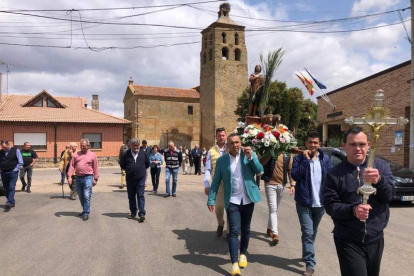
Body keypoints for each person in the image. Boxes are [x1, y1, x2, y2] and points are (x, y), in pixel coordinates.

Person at [323, 127, 395, 276]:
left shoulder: (381, 167)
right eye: (352, 144)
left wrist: (379, 181)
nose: (358, 149)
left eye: (362, 144)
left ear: (368, 145)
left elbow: (389, 196)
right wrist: (353, 210)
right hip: (348, 239)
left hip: (375, 238)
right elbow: (331, 206)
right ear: (344, 146)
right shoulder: (334, 174)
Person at [207, 133, 263, 276]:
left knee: (246, 228)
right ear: (228, 145)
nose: (236, 145)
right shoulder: (222, 161)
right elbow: (216, 182)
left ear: (241, 142)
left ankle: (243, 253)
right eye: (232, 143)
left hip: (248, 199)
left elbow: (259, 170)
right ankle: (234, 263)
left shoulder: (248, 155)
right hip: (232, 200)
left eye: (237, 142)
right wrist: (211, 199)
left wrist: (251, 157)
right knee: (233, 231)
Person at [291, 131, 332, 276]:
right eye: (310, 142)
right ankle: (310, 264)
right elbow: (295, 175)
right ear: (306, 144)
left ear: (319, 144)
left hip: (320, 203)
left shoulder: (325, 159)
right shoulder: (298, 159)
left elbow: (330, 179)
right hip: (304, 202)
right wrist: (305, 160)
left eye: (315, 142)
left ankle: (306, 252)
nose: (313, 145)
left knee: (312, 232)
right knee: (308, 232)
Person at [260, 150, 295, 244]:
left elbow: (290, 170)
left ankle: (269, 228)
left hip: (281, 185)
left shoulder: (287, 154)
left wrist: (292, 184)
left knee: (275, 209)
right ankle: (275, 234)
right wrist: (269, 153)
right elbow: (261, 163)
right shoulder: (268, 152)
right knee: (273, 208)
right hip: (270, 183)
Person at [204, 127, 228, 237]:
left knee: (230, 207)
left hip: (230, 183)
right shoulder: (211, 151)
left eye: (223, 135)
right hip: (218, 184)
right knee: (219, 206)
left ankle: (229, 230)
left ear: (226, 136)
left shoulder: (231, 148)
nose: (221, 137)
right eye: (219, 135)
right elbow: (208, 169)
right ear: (216, 137)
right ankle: (220, 223)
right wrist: (206, 184)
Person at [67, 139, 99, 221]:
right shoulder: (76, 155)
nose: (82, 147)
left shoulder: (93, 155)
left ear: (88, 146)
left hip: (88, 177)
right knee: (81, 196)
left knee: (86, 195)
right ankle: (85, 209)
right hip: (78, 177)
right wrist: (69, 176)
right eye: (81, 145)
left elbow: (95, 167)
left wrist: (95, 178)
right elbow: (71, 166)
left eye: (84, 146)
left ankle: (86, 212)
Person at [120, 138, 150, 222]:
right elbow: (122, 164)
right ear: (130, 145)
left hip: (140, 179)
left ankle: (142, 213)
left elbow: (147, 164)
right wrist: (130, 170)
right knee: (131, 196)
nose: (135, 147)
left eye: (137, 145)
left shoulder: (143, 154)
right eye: (134, 145)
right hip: (130, 179)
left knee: (140, 195)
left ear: (139, 145)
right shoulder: (126, 154)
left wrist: (140, 171)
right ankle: (133, 212)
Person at [0, 140, 23, 209]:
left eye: (5, 147)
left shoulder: (16, 150)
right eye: (2, 147)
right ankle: (11, 202)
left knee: (11, 187)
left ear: (8, 144)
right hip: (4, 172)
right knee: (6, 188)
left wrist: (15, 170)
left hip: (13, 172)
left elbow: (20, 162)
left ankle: (9, 202)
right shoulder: (1, 152)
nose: (4, 149)